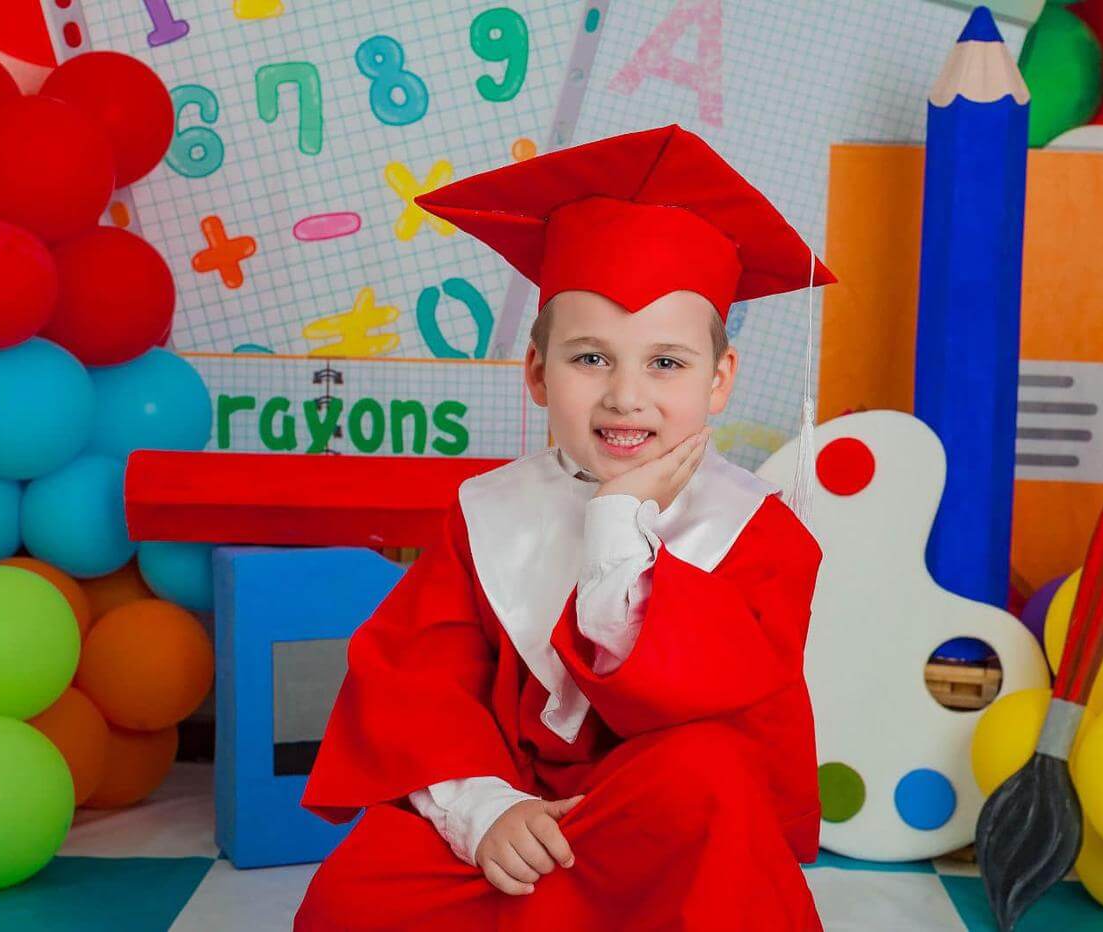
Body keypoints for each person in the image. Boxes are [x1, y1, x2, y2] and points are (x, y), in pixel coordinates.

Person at [296, 123, 837, 931]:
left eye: (666, 362)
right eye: (590, 359)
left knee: (708, 772)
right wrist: (485, 812)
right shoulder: (487, 513)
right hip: (517, 824)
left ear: (719, 380)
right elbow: (420, 684)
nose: (625, 397)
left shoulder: (760, 535)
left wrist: (617, 523)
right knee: (353, 896)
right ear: (537, 373)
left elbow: (707, 732)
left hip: (650, 832)